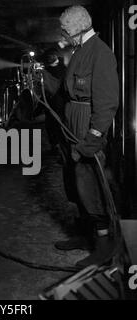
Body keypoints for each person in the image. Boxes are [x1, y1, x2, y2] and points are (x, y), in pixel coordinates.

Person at [44, 5, 119, 268]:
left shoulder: (100, 53)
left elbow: (108, 102)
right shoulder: (79, 52)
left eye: (65, 29)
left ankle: (104, 245)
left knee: (91, 187)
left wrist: (93, 138)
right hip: (72, 125)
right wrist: (40, 79)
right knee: (75, 184)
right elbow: (65, 91)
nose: (63, 34)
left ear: (78, 28)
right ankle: (86, 235)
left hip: (87, 127)